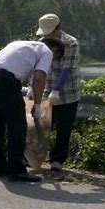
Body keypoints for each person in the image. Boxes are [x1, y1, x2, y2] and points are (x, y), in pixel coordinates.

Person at [0, 39, 64, 182]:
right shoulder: (47, 51)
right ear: (55, 50)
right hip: (4, 80)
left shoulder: (20, 44)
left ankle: (0, 167)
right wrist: (38, 106)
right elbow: (39, 78)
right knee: (17, 125)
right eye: (54, 59)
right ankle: (16, 170)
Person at [36, 13, 81, 171]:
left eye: (50, 31)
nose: (47, 35)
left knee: (64, 129)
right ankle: (34, 156)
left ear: (57, 28)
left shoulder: (71, 43)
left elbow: (67, 69)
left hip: (69, 92)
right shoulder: (41, 42)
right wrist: (32, 86)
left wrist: (57, 90)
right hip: (46, 91)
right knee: (40, 126)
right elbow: (38, 68)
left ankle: (57, 161)